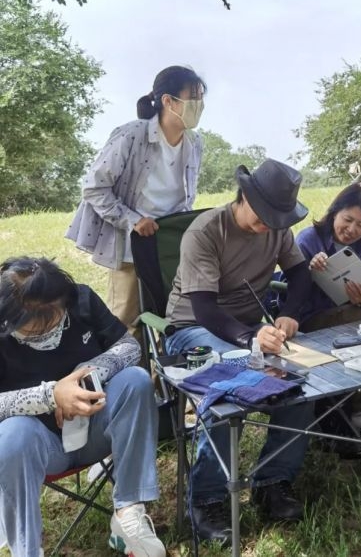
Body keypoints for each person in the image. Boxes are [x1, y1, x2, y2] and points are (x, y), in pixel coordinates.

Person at [165, 159, 315, 546]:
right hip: (192, 331)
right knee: (229, 380)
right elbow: (203, 308)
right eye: (264, 215)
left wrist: (287, 315)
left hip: (251, 331)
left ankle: (273, 480)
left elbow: (300, 274)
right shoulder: (206, 230)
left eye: (277, 219)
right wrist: (250, 339)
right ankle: (207, 499)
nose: (269, 225)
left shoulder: (278, 228)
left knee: (297, 378)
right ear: (244, 196)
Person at [0, 257, 164, 557]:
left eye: (54, 316)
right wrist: (51, 396)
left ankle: (128, 514)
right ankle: (26, 548)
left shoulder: (81, 299)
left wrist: (88, 372)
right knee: (12, 433)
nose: (48, 329)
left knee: (135, 380)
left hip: (95, 429)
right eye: (34, 327)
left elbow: (129, 346)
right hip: (40, 448)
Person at [66, 65, 206, 334]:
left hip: (167, 245)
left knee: (170, 319)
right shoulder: (133, 135)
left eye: (201, 98)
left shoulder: (194, 142)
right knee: (126, 322)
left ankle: (161, 377)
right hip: (130, 243)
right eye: (194, 96)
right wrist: (133, 220)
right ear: (168, 101)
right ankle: (131, 376)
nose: (199, 104)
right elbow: (94, 188)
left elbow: (185, 198)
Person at [295, 183, 361, 332]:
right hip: (312, 316)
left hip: (350, 309)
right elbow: (289, 291)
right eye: (348, 220)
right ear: (334, 214)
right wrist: (310, 272)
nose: (352, 230)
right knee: (354, 314)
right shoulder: (308, 239)